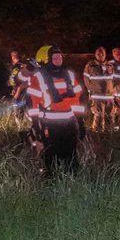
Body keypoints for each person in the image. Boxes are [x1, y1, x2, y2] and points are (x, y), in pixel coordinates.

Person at [27, 46, 86, 175]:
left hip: (68, 122)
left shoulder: (70, 75)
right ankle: (51, 180)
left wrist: (81, 123)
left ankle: (71, 179)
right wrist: (36, 126)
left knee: (70, 152)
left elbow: (77, 101)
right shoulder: (38, 77)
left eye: (60, 57)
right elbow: (33, 104)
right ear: (49, 59)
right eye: (55, 57)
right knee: (50, 153)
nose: (58, 59)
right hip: (49, 123)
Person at [82, 46, 114, 132]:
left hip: (109, 96)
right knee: (97, 115)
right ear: (95, 54)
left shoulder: (110, 65)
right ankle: (96, 133)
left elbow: (113, 79)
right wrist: (91, 91)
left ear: (105, 54)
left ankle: (109, 133)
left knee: (109, 115)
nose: (100, 55)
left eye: (102, 53)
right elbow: (86, 80)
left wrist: (113, 91)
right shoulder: (90, 65)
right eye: (98, 53)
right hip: (96, 95)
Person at [8, 50, 33, 117]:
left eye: (15, 55)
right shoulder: (12, 66)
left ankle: (25, 116)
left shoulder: (21, 65)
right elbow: (12, 76)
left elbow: (29, 75)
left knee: (22, 105)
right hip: (15, 87)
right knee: (16, 107)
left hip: (23, 89)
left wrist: (20, 88)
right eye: (13, 55)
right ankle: (18, 118)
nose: (14, 57)